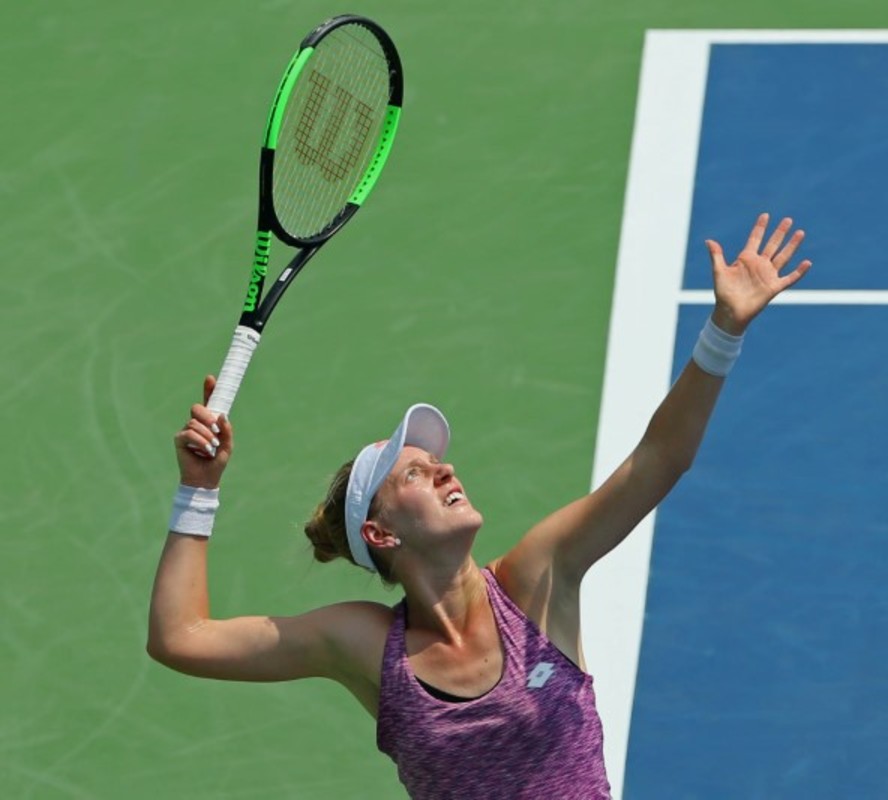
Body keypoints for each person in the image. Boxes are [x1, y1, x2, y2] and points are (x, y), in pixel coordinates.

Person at [148, 213, 811, 798]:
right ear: (380, 532)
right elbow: (181, 639)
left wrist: (723, 333)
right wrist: (198, 490)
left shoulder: (536, 580)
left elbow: (658, 459)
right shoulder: (365, 645)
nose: (444, 469)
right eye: (414, 472)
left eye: (436, 460)